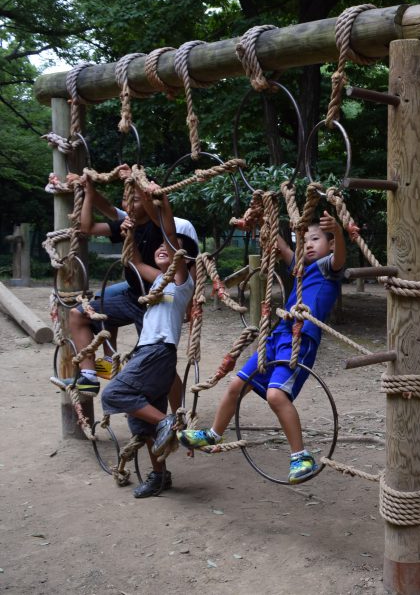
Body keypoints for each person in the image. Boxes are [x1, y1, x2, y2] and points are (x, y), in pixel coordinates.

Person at [177, 212, 357, 483]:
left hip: (300, 339)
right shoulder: (300, 266)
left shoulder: (328, 268)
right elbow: (281, 246)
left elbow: (341, 257)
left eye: (315, 239)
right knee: (236, 385)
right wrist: (263, 219)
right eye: (304, 240)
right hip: (278, 335)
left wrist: (339, 233)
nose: (308, 244)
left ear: (330, 245)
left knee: (276, 396)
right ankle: (213, 434)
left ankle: (300, 456)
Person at [69, 167, 199, 397]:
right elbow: (87, 227)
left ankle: (177, 416)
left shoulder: (163, 226)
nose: (128, 202)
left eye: (136, 199)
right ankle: (90, 375)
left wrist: (138, 181)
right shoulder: (127, 223)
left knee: (159, 364)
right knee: (82, 313)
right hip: (132, 294)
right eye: (125, 198)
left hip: (156, 301)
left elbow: (159, 220)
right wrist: (88, 192)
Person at [99, 192, 195, 499]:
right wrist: (129, 235)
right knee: (142, 419)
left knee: (115, 392)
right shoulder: (156, 283)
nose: (164, 250)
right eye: (160, 250)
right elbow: (136, 261)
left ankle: (168, 421)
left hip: (159, 349)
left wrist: (162, 205)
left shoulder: (181, 282)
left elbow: (169, 237)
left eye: (171, 249)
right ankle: (160, 476)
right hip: (149, 350)